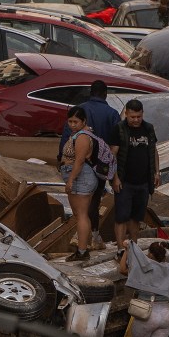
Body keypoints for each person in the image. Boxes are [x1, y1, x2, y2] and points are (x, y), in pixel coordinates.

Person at [58, 80, 121, 250]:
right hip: (100, 166)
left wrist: (62, 163)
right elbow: (117, 142)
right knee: (92, 201)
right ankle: (91, 236)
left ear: (90, 93)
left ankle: (85, 241)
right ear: (105, 94)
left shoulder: (77, 113)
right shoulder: (112, 113)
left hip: (77, 167)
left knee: (81, 210)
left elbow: (66, 139)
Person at [109, 99, 160, 256]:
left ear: (142, 114)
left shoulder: (148, 129)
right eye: (132, 117)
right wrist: (115, 178)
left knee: (136, 218)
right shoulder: (120, 129)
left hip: (143, 182)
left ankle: (133, 248)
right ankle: (120, 249)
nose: (136, 120)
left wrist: (157, 172)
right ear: (126, 114)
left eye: (138, 116)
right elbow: (112, 155)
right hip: (125, 182)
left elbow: (154, 151)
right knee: (121, 217)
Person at [60, 106, 99, 263]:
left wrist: (70, 180)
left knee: (81, 215)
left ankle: (82, 251)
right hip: (78, 176)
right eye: (70, 121)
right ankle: (83, 247)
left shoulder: (82, 136)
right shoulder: (78, 134)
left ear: (84, 121)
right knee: (80, 215)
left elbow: (80, 160)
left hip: (80, 177)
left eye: (76, 121)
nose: (72, 124)